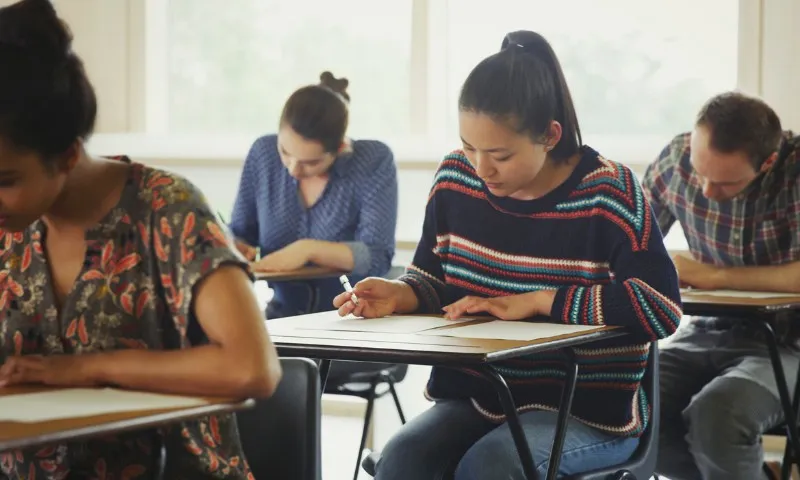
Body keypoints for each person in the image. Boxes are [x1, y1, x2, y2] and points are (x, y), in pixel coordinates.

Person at [333, 30, 682, 479]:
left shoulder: (609, 191)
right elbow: (436, 283)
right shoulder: (456, 179)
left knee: (491, 465)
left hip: (587, 410)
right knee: (403, 457)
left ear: (550, 136)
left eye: (499, 154)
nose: (481, 168)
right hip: (482, 397)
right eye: (468, 146)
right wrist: (401, 293)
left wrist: (542, 301)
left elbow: (660, 307)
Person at [0, 1, 282, 478]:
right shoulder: (14, 223)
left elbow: (251, 368)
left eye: (6, 179)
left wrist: (88, 368)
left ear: (67, 156)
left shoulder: (167, 210)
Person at [642, 91, 800, 479]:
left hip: (789, 342)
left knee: (718, 413)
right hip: (706, 331)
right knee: (632, 406)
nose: (707, 191)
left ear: (766, 162)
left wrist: (716, 276)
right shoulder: (674, 159)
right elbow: (629, 246)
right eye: (700, 172)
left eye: (725, 183)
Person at [229, 72, 398, 319]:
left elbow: (377, 256)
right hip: (282, 317)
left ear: (340, 148)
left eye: (310, 163)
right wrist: (235, 246)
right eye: (285, 152)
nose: (293, 169)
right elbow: (241, 232)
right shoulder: (263, 154)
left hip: (353, 318)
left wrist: (307, 250)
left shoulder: (372, 161)